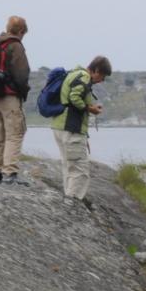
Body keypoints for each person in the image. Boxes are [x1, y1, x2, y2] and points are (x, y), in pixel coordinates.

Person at [51, 55, 112, 206]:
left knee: (68, 167)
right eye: (102, 76)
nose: (101, 80)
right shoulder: (84, 77)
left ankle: (68, 198)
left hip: (60, 127)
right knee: (80, 170)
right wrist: (90, 108)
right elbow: (74, 97)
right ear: (96, 70)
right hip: (71, 129)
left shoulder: (73, 73)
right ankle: (73, 204)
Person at [0, 16, 32, 186]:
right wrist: (23, 91)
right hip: (8, 97)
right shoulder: (15, 45)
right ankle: (10, 173)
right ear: (21, 31)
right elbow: (22, 74)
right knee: (15, 133)